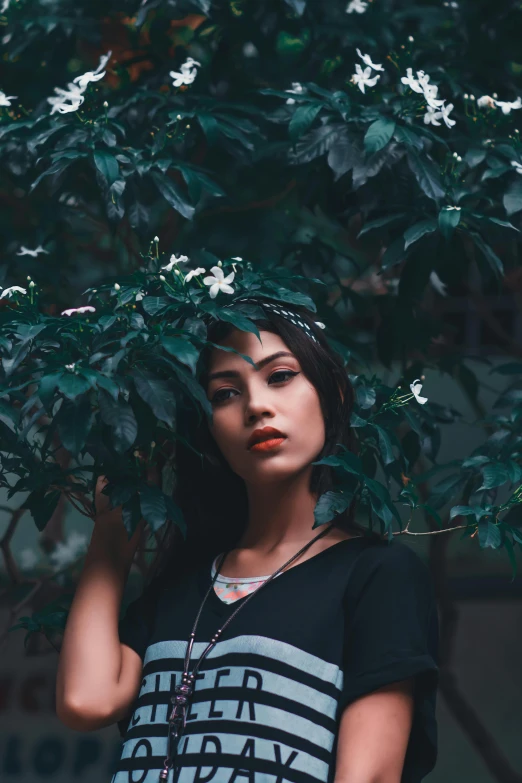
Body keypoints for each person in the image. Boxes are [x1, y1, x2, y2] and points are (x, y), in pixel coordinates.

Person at [55, 296, 439, 783]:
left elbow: (369, 777)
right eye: (224, 393)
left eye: (280, 376)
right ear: (208, 429)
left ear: (334, 393)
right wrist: (112, 533)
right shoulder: (183, 585)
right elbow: (85, 701)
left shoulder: (376, 576)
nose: (257, 405)